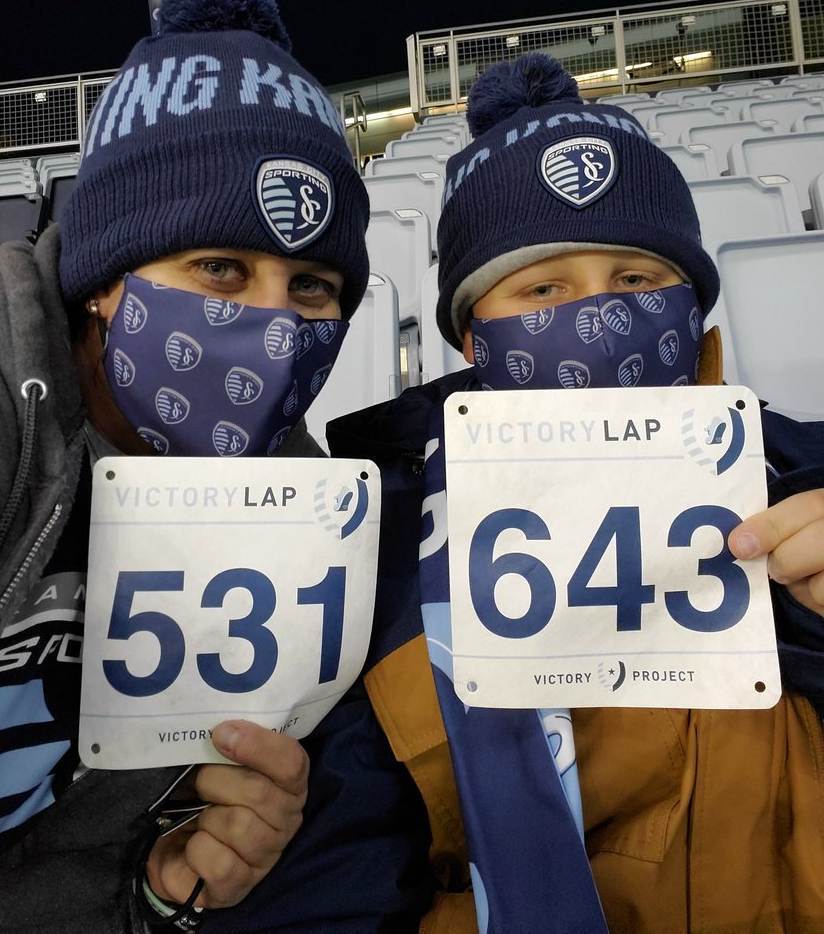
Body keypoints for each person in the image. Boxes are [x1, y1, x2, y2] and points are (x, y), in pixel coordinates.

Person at [0, 0, 436, 932]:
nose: (272, 325)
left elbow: (119, 863)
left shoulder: (295, 502)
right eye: (219, 268)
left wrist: (161, 892)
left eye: (314, 286)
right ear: (107, 278)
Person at [328, 53, 824, 934]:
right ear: (473, 336)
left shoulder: (804, 477)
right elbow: (353, 871)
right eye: (543, 289)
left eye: (636, 280)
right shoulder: (390, 550)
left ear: (695, 305)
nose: (594, 318)